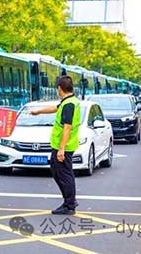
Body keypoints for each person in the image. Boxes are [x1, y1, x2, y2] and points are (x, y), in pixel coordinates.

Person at [30, 75, 81, 215]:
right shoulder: (68, 102)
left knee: (65, 174)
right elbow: (55, 108)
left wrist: (61, 149)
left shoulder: (69, 104)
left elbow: (67, 128)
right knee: (57, 171)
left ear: (60, 88)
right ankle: (70, 201)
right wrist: (38, 112)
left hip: (64, 146)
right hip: (62, 145)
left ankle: (70, 204)